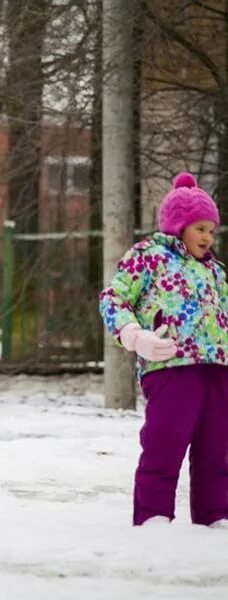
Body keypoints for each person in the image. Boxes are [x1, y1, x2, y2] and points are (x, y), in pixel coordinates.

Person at [99, 172, 228, 528]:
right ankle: (154, 518)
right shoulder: (150, 256)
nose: (207, 237)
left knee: (216, 450)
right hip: (171, 366)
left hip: (217, 368)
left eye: (212, 230)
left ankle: (216, 517)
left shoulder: (216, 271)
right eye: (200, 228)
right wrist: (134, 335)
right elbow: (113, 298)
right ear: (179, 225)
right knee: (165, 444)